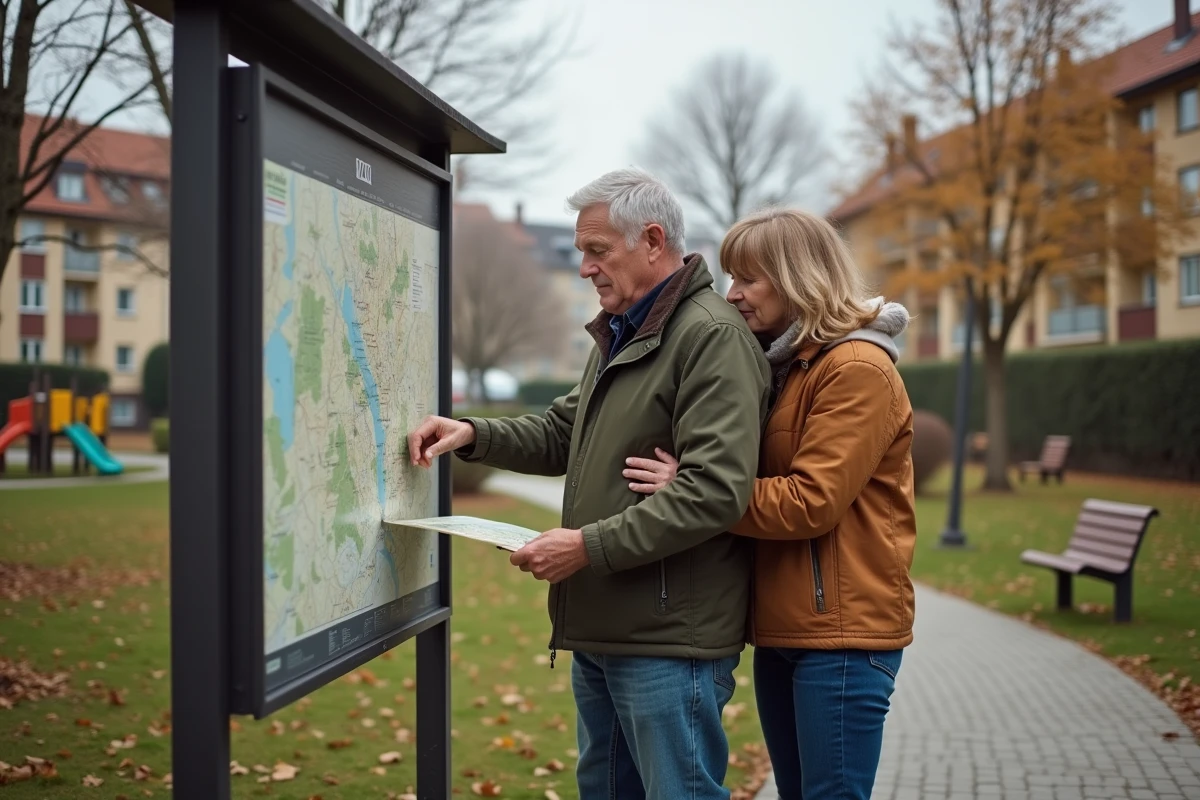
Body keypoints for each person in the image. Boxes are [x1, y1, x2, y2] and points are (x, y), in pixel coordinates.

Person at [406, 168, 770, 800]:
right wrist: (471, 433)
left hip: (666, 643)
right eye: (580, 252)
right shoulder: (624, 330)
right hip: (605, 630)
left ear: (652, 240)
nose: (583, 268)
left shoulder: (710, 337)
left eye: (597, 251)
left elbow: (713, 491)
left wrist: (583, 548)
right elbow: (561, 432)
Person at [625, 207, 917, 800]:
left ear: (797, 277)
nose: (733, 295)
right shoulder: (789, 366)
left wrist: (696, 491)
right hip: (786, 630)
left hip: (842, 637)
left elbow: (812, 502)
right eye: (731, 278)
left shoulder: (856, 367)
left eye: (748, 279)